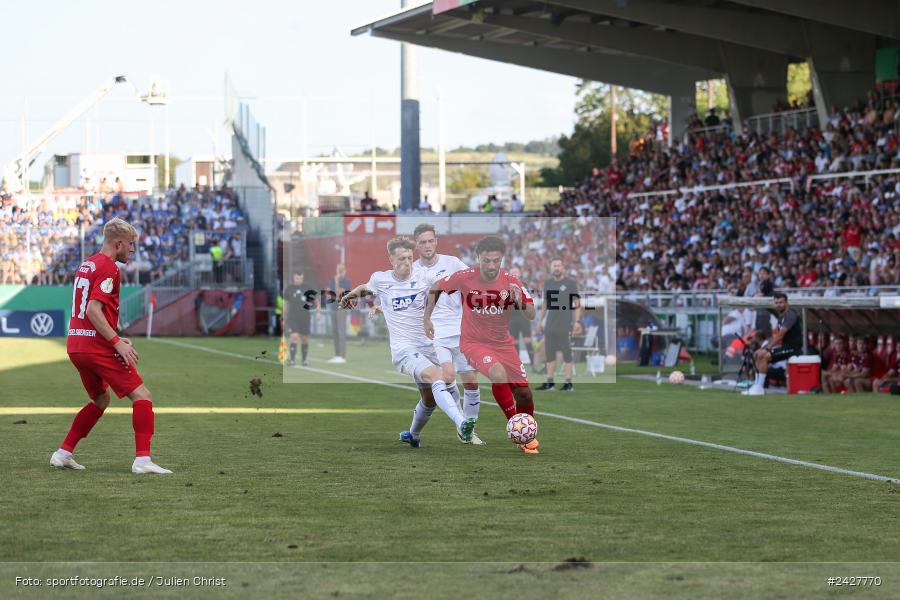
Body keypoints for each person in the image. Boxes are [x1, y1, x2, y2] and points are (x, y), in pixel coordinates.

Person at [50, 217, 172, 474]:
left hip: (76, 344)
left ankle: (63, 453)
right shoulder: (109, 268)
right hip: (96, 346)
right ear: (118, 244)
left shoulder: (87, 264)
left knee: (100, 398)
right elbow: (94, 310)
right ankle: (142, 460)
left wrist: (114, 336)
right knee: (142, 396)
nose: (133, 249)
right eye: (130, 244)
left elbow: (89, 312)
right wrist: (116, 342)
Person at [339, 237, 476, 446]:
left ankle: (414, 435)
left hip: (428, 345)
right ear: (391, 260)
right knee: (438, 377)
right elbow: (364, 288)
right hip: (404, 349)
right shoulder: (381, 279)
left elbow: (442, 288)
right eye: (402, 258)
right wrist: (349, 296)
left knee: (430, 399)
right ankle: (462, 423)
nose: (407, 262)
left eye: (410, 257)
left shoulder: (424, 276)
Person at [424, 235, 540, 454]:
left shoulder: (512, 281)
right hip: (474, 342)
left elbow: (531, 314)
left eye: (495, 260)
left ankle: (527, 431)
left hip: (503, 344)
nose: (490, 265)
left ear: (501, 259)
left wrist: (519, 302)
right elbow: (436, 287)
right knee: (497, 374)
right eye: (486, 260)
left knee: (524, 394)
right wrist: (426, 318)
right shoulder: (466, 276)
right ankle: (518, 429)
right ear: (478, 258)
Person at [412, 223, 484, 445]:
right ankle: (462, 425)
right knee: (448, 377)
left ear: (436, 241)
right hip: (433, 334)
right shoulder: (412, 269)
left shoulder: (452, 262)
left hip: (460, 329)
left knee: (471, 381)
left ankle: (468, 429)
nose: (427, 245)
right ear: (416, 244)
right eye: (422, 242)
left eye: (430, 241)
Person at [744, 292, 802, 396]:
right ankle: (757, 386)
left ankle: (759, 387)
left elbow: (780, 335)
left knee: (763, 355)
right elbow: (778, 337)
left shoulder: (790, 315)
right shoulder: (781, 315)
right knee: (758, 355)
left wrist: (766, 349)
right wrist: (765, 348)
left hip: (794, 349)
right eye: (776, 303)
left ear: (787, 302)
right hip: (785, 347)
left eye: (781, 302)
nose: (779, 304)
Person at [536, 259, 581, 392]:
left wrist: (577, 322)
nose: (557, 268)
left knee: (567, 354)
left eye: (559, 265)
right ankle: (550, 383)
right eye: (554, 265)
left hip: (565, 324)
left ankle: (568, 383)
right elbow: (545, 304)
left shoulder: (570, 283)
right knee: (549, 354)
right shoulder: (548, 283)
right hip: (550, 324)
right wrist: (540, 321)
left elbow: (577, 303)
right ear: (551, 268)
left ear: (563, 268)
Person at [284, 272, 316, 366]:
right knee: (294, 336)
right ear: (294, 278)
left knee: (305, 339)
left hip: (305, 316)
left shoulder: (307, 288)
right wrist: (284, 316)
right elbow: (286, 303)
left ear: (303, 279)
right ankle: (292, 360)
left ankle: (304, 360)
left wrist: (317, 311)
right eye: (297, 278)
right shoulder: (289, 289)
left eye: (300, 278)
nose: (298, 280)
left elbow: (315, 300)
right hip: (292, 316)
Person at [508, 267, 536, 372]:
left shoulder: (523, 284)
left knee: (527, 339)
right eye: (513, 272)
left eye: (516, 272)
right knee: (514, 341)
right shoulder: (506, 285)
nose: (515, 274)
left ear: (520, 273)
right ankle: (518, 366)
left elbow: (528, 298)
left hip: (523, 316)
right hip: (512, 317)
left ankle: (533, 365)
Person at [325, 263, 351, 363]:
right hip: (333, 307)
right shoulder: (331, 280)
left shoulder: (346, 281)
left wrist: (336, 282)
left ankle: (342, 356)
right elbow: (328, 293)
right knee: (335, 332)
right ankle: (337, 355)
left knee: (341, 332)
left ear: (345, 270)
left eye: (342, 269)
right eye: (338, 269)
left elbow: (339, 292)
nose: (340, 271)